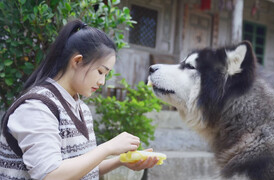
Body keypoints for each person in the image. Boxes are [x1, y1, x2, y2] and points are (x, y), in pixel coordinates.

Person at [0, 19, 159, 180]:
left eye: (106, 75)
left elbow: (81, 167)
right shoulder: (36, 107)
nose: (102, 82)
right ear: (77, 61)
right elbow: (51, 175)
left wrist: (121, 161)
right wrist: (108, 147)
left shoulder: (81, 108)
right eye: (100, 71)